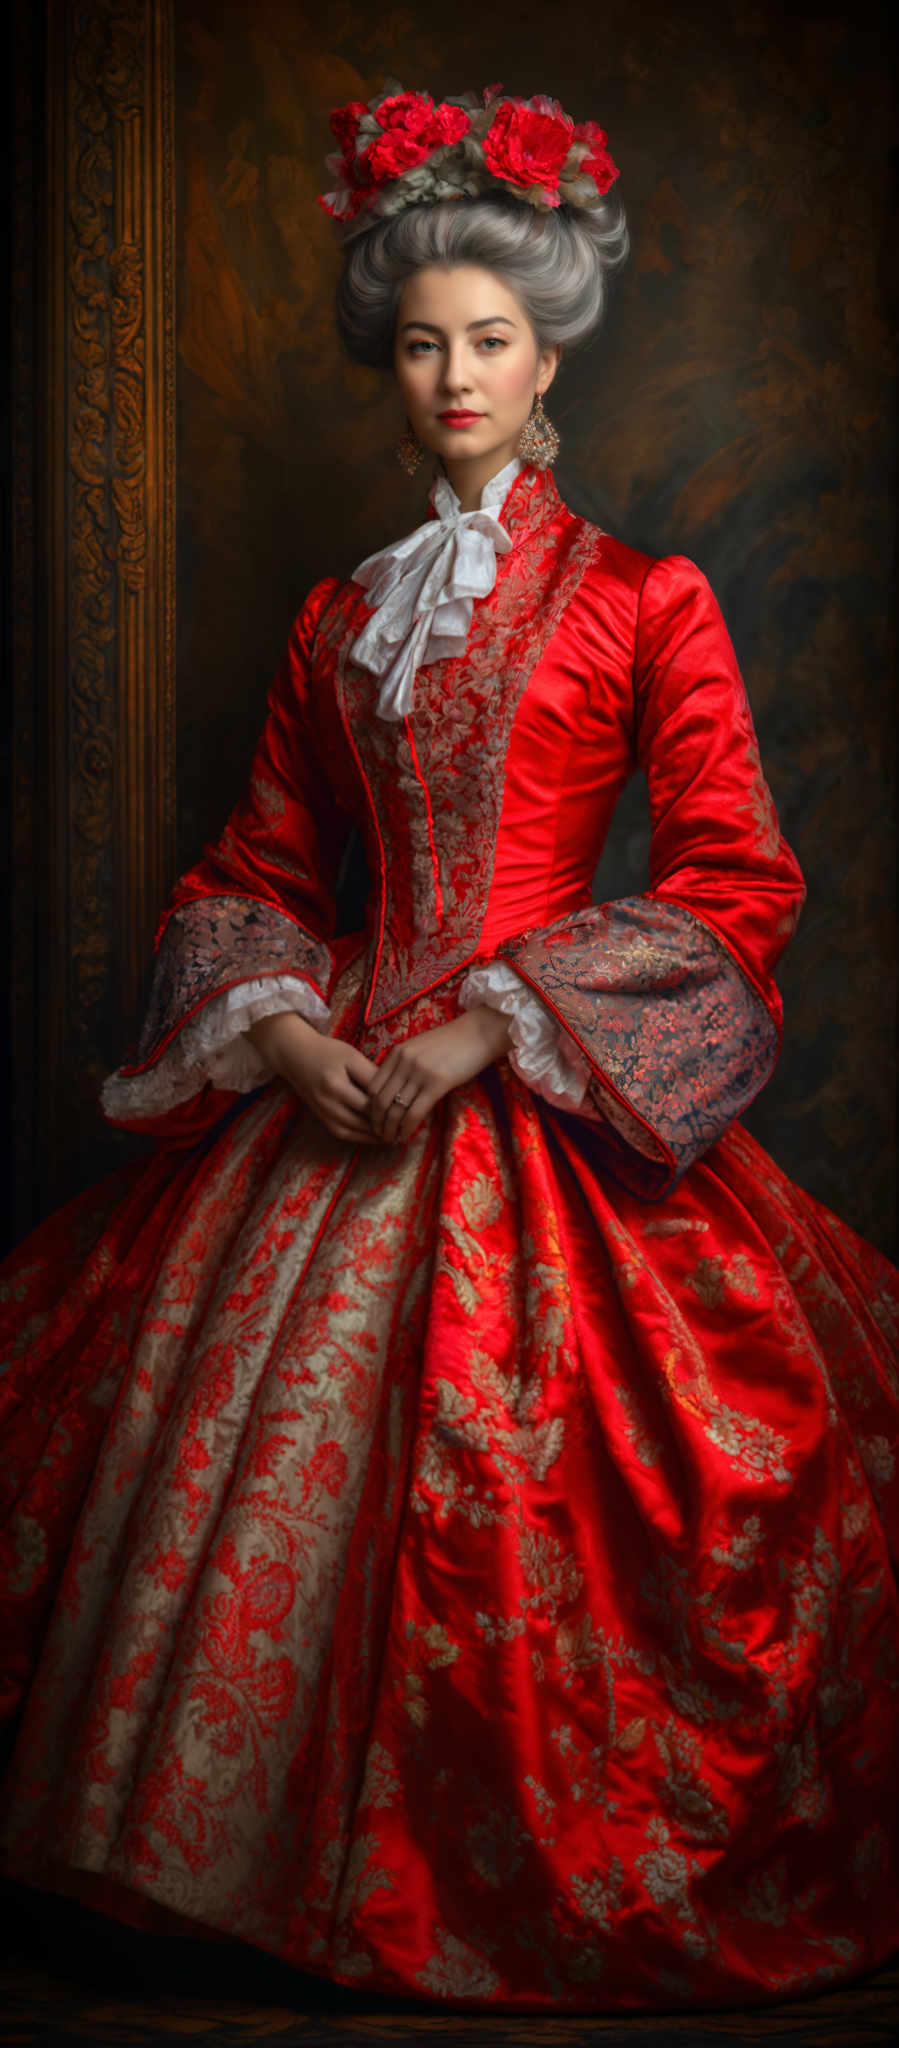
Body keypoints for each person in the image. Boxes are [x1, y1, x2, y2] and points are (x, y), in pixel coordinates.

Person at [1, 79, 897, 2014]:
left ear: (549, 340)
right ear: (390, 368)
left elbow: (739, 875)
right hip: (335, 1086)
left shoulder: (648, 599)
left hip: (532, 1092)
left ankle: (457, 1890)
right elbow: (252, 860)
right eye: (422, 345)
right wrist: (282, 1025)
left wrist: (502, 1025)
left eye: (490, 339)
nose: (456, 375)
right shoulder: (340, 622)